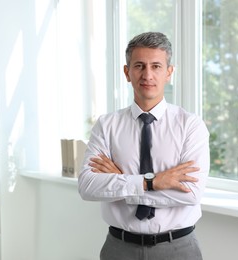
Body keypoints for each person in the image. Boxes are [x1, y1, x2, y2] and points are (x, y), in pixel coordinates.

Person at [78, 32, 210, 260]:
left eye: (156, 66)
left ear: (169, 72)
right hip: (119, 248)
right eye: (139, 66)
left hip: (178, 248)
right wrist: (153, 181)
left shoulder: (190, 125)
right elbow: (88, 186)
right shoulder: (106, 125)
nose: (147, 74)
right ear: (127, 72)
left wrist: (123, 186)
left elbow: (191, 194)